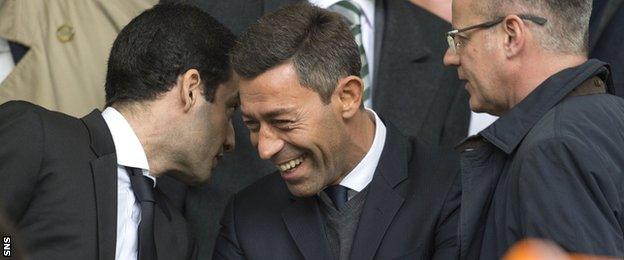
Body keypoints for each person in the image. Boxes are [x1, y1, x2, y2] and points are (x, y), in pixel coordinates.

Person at [188, 0, 468, 256]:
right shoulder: (246, 218)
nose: (265, 148)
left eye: (283, 122)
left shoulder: (453, 189)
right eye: (252, 125)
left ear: (348, 97)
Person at [0, 3, 238, 260]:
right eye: (230, 108)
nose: (231, 140)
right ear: (191, 90)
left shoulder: (178, 240)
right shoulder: (38, 137)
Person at [443, 0, 624, 258]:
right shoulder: (609, 118)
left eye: (460, 38)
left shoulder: (553, 149)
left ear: (511, 35)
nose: (450, 57)